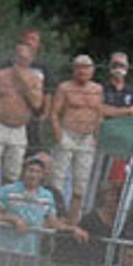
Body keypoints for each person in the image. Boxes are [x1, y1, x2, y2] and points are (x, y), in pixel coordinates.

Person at [0, 40, 45, 203]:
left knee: (12, 172)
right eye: (19, 57)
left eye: (25, 58)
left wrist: (22, 79)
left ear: (31, 59)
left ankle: (2, 206)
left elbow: (37, 103)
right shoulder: (1, 74)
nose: (21, 61)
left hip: (19, 129)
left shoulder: (35, 79)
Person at [47, 54, 105, 220]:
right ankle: (54, 216)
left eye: (86, 67)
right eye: (79, 67)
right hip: (68, 134)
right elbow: (54, 113)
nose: (83, 70)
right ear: (73, 69)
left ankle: (74, 221)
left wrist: (96, 135)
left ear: (92, 70)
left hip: (87, 138)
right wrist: (58, 133)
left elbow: (99, 114)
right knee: (57, 179)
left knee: (81, 183)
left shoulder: (97, 89)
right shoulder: (65, 87)